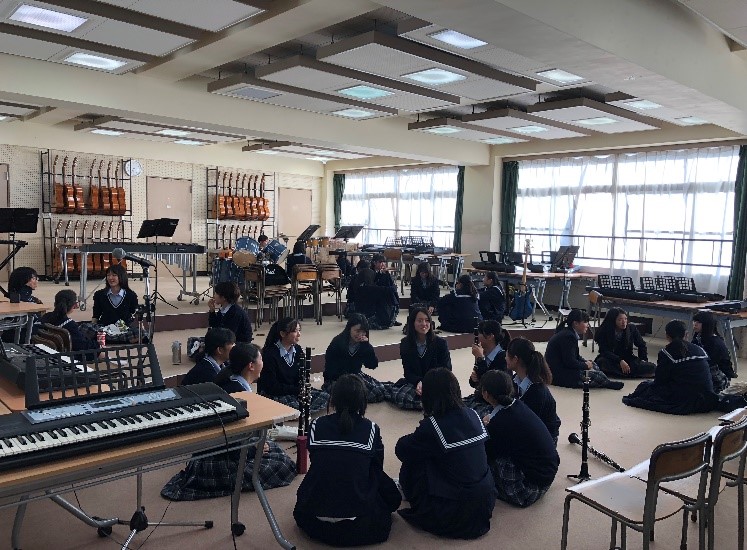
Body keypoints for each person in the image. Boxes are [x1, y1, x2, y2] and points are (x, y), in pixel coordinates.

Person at [161, 342, 296, 500]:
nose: (263, 363)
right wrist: (253, 449)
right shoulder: (237, 392)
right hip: (216, 459)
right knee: (282, 465)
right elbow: (228, 440)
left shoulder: (234, 383)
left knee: (273, 450)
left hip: (221, 451)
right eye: (261, 359)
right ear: (251, 366)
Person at [294, 375, 401, 547]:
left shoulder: (316, 425)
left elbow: (317, 461)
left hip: (314, 520)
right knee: (387, 492)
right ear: (362, 402)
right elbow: (376, 467)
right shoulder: (371, 429)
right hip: (358, 524)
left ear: (333, 399)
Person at [396, 368, 496, 539]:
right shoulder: (473, 414)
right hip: (486, 502)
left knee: (416, 458)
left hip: (453, 512)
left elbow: (401, 450)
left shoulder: (433, 426)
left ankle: (407, 491)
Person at [481, 370, 559, 507]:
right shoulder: (518, 404)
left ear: (486, 394)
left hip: (528, 489)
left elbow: (486, 455)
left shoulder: (498, 424)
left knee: (482, 464)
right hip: (547, 475)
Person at [623, 320, 719, 415]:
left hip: (685, 400)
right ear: (686, 334)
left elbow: (660, 381)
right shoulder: (700, 349)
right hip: (706, 399)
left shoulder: (666, 353)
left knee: (645, 387)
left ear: (667, 336)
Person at [258, 317, 330, 413]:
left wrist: (302, 388)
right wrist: (296, 390)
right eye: (295, 331)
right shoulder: (270, 354)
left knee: (327, 397)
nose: (299, 334)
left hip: (294, 391)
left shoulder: (298, 350)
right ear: (282, 334)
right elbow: (272, 387)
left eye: (299, 330)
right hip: (277, 393)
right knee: (296, 408)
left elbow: (300, 378)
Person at [545, 309, 624, 390]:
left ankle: (606, 382)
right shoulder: (568, 337)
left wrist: (586, 362)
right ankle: (607, 383)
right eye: (585, 322)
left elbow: (575, 356)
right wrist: (585, 365)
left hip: (562, 369)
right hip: (559, 374)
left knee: (594, 364)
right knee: (595, 375)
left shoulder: (568, 333)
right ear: (576, 323)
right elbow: (570, 362)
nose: (587, 325)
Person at [392, 307, 452, 410]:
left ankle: (428, 403)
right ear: (413, 323)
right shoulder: (405, 343)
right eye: (419, 321)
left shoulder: (441, 343)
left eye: (427, 320)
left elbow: (447, 370)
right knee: (400, 396)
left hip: (436, 382)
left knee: (447, 394)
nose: (424, 324)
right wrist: (419, 382)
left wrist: (427, 383)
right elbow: (408, 372)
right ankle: (430, 404)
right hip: (416, 384)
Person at [322, 314, 391, 403]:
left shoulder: (363, 344)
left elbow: (372, 365)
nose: (360, 335)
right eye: (357, 331)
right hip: (337, 379)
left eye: (363, 332)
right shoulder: (337, 342)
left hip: (355, 376)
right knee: (346, 395)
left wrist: (367, 347)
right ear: (349, 329)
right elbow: (330, 370)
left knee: (378, 392)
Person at [506, 337, 561, 443]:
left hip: (542, 440)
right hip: (528, 431)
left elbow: (528, 426)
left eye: (507, 355)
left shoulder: (537, 391)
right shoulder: (516, 379)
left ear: (515, 359)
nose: (505, 358)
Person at [463, 320, 510, 417]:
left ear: (490, 336)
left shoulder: (503, 357)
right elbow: (474, 383)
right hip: (481, 397)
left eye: (479, 334)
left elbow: (493, 385)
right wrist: (474, 379)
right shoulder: (483, 353)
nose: (476, 337)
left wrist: (480, 360)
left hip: (493, 403)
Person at [593, 307, 656, 378]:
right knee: (602, 363)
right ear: (612, 320)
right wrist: (620, 360)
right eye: (620, 320)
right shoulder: (604, 330)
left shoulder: (631, 328)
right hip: (611, 359)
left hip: (628, 358)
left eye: (625, 319)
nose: (624, 322)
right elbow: (604, 351)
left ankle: (624, 373)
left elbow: (641, 344)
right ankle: (629, 373)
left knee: (652, 367)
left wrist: (643, 359)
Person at [39, 289, 98, 356]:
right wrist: (98, 344)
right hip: (64, 356)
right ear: (73, 305)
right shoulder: (69, 324)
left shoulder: (46, 317)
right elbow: (82, 346)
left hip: (47, 353)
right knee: (101, 352)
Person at [692, 310, 736, 392]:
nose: (695, 324)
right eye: (694, 321)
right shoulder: (698, 337)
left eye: (699, 322)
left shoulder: (715, 342)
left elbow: (709, 365)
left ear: (707, 324)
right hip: (707, 373)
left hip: (719, 378)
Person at [3, 267, 42, 342]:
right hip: (23, 337)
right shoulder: (25, 300)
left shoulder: (14, 296)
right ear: (23, 281)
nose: (37, 280)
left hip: (12, 336)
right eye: (33, 278)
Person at [370, 253, 401, 327]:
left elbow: (389, 283)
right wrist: (381, 274)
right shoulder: (371, 271)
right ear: (374, 263)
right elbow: (374, 284)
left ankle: (392, 317)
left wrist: (393, 288)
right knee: (390, 293)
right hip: (376, 293)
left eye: (384, 262)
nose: (383, 264)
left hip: (386, 291)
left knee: (393, 293)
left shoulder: (385, 272)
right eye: (380, 262)